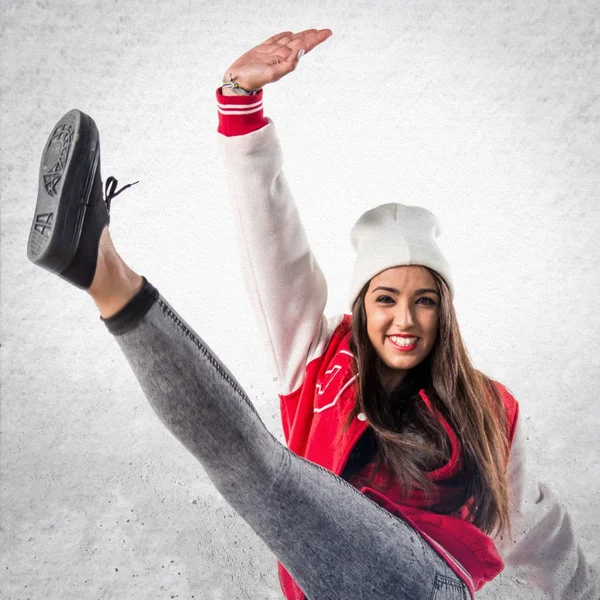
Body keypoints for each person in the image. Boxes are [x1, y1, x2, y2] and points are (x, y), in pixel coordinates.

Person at [27, 28, 598, 600]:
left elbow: (536, 528)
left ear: (444, 313)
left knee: (268, 474)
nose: (405, 319)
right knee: (258, 469)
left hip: (429, 585)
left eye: (425, 301)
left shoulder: (491, 406)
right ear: (361, 307)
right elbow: (273, 243)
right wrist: (240, 104)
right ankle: (102, 273)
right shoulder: (320, 359)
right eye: (385, 298)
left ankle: (105, 273)